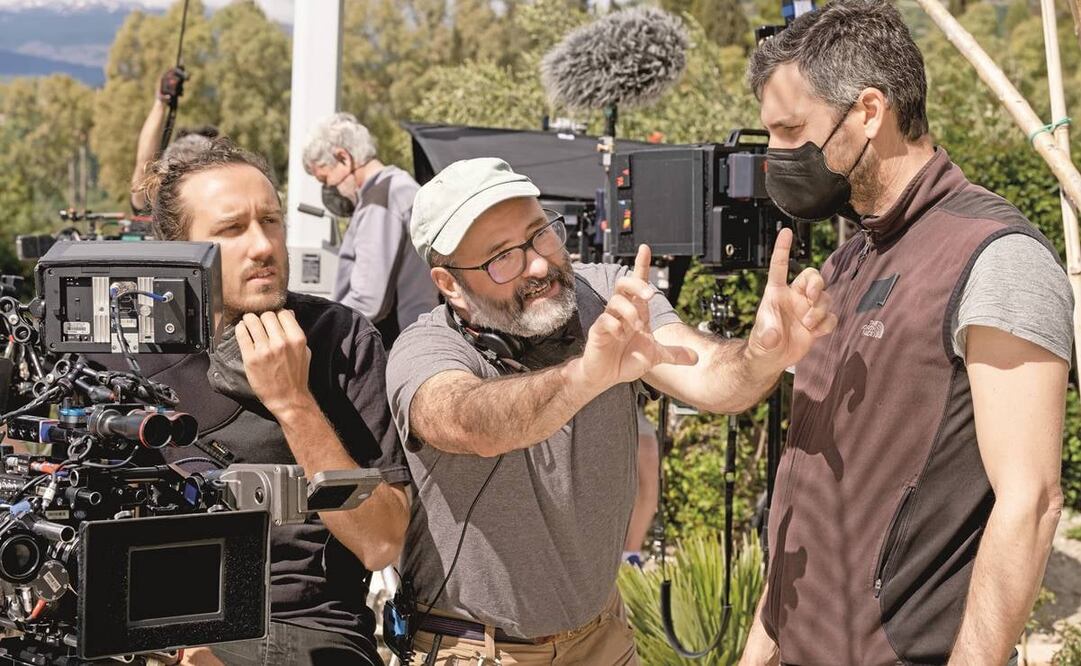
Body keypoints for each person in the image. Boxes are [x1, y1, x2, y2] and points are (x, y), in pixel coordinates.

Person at [385, 157, 837, 664]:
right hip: (475, 648)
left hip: (603, 637)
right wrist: (585, 377)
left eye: (540, 235)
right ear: (449, 284)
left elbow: (707, 375)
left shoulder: (605, 294)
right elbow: (467, 421)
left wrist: (761, 356)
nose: (538, 265)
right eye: (502, 258)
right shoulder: (424, 349)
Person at [739, 2, 1074, 664]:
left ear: (869, 111)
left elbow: (1031, 504)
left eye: (790, 130)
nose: (775, 156)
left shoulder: (995, 256)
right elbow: (805, 490)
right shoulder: (843, 263)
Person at [119, 138, 411, 665]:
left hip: (299, 625)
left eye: (271, 221)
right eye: (232, 229)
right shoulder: (123, 351)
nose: (262, 246)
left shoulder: (339, 339)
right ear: (178, 250)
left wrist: (294, 403)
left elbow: (382, 541)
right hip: (147, 626)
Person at [303, 112, 437, 347]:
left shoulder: (380, 200)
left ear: (343, 158)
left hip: (393, 344)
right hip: (413, 336)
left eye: (325, 180)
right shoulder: (397, 187)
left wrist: (321, 329)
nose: (330, 189)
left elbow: (367, 300)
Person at [130, 67, 218, 214]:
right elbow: (144, 165)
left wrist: (160, 102)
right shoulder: (159, 207)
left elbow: (144, 164)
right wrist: (161, 101)